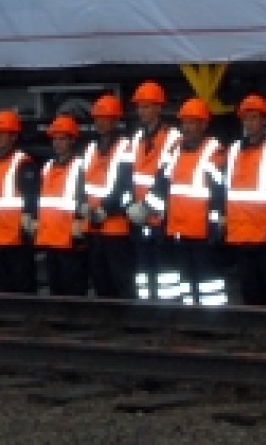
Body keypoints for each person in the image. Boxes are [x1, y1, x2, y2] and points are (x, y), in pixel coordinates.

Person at [152, 98, 227, 305]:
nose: (187, 127)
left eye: (192, 122)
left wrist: (215, 225)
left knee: (209, 284)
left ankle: (213, 319)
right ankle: (189, 318)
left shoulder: (214, 150)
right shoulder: (174, 150)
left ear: (204, 125)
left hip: (202, 232)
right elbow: (161, 185)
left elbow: (219, 193)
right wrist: (155, 217)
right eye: (184, 122)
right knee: (185, 283)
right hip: (178, 229)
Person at [219, 94, 266, 307]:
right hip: (241, 231)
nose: (249, 123)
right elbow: (224, 187)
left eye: (254, 118)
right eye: (246, 118)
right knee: (249, 289)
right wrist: (223, 215)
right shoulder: (232, 151)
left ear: (264, 120)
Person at [125, 81, 182, 301]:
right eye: (140, 107)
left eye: (146, 106)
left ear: (158, 108)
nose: (142, 111)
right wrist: (129, 205)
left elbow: (167, 178)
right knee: (143, 275)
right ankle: (147, 312)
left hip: (161, 220)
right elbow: (126, 175)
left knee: (166, 276)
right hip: (139, 219)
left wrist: (147, 207)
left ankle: (169, 313)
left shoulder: (173, 138)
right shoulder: (137, 138)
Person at [81, 93, 137, 299]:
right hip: (93, 226)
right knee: (100, 279)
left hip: (115, 227)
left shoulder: (125, 147)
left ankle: (127, 316)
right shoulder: (90, 149)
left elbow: (126, 187)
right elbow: (81, 183)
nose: (100, 123)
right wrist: (83, 205)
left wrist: (106, 209)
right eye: (98, 119)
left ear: (115, 120)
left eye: (105, 119)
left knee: (121, 279)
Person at [0, 109, 40, 294]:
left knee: (22, 284)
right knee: (4, 285)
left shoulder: (23, 162)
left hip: (17, 237)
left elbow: (31, 196)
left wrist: (28, 220)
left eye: (2, 133)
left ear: (13, 136)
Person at [35, 115, 91, 297]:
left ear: (72, 140)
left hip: (70, 240)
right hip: (51, 238)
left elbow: (85, 199)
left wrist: (80, 226)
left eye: (62, 139)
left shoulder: (81, 166)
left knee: (73, 288)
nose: (57, 143)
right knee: (56, 288)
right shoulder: (47, 167)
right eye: (55, 139)